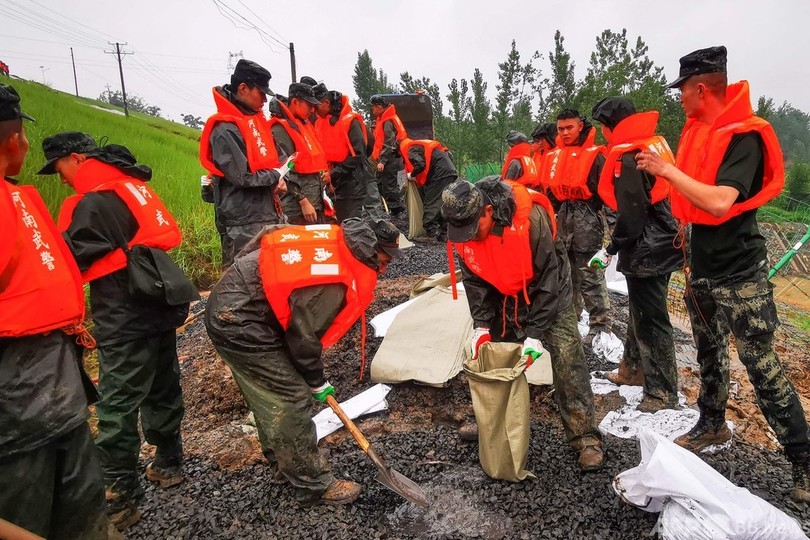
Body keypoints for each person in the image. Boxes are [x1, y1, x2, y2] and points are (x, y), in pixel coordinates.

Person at [636, 45, 810, 502]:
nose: (678, 98)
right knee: (709, 350)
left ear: (700, 88)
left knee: (761, 366)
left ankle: (803, 461)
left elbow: (718, 202)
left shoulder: (744, 136)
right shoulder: (699, 132)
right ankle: (711, 423)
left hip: (739, 271)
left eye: (682, 90)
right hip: (702, 266)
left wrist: (666, 170)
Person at [38, 132, 195, 529]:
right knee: (163, 384)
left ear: (77, 158)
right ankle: (169, 462)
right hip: (159, 299)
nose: (61, 178)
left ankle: (120, 495)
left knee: (117, 403)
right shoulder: (133, 187)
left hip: (123, 312)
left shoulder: (92, 201)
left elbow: (67, 258)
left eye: (59, 167)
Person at [204, 218, 402, 505]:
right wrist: (316, 380)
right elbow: (303, 337)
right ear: (371, 250)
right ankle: (313, 484)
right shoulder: (333, 278)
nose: (383, 271)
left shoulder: (342, 241)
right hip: (239, 319)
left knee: (274, 393)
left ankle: (285, 462)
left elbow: (267, 234)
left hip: (246, 303)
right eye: (383, 262)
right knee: (291, 396)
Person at [0, 83, 110, 539]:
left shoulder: (16, 198)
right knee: (29, 506)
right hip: (16, 394)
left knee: (79, 500)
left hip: (55, 379)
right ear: (15, 139)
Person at [441, 177, 604, 471]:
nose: (469, 237)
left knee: (568, 357)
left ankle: (585, 437)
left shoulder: (531, 220)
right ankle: (492, 424)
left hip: (547, 288)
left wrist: (536, 334)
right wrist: (482, 325)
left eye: (473, 229)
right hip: (502, 291)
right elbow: (475, 281)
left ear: (488, 211)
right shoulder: (464, 233)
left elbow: (548, 279)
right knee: (495, 359)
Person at [591, 96, 681, 412]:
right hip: (664, 239)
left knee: (652, 321)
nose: (602, 134)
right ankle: (631, 370)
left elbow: (632, 215)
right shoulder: (649, 147)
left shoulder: (630, 157)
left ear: (610, 126)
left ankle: (663, 393)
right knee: (639, 313)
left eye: (603, 127)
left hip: (648, 249)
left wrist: (610, 248)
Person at [200, 59, 290, 268]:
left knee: (271, 272)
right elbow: (241, 176)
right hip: (243, 222)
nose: (265, 100)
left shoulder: (256, 122)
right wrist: (275, 176)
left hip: (267, 211)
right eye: (261, 93)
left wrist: (280, 179)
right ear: (243, 88)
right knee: (243, 277)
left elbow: (278, 157)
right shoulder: (225, 129)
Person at [540, 109, 610, 344]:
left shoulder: (596, 156)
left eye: (569, 127)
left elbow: (608, 195)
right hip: (564, 216)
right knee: (566, 273)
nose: (565, 132)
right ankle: (571, 319)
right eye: (561, 129)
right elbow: (551, 194)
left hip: (587, 217)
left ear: (580, 126)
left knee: (590, 274)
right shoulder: (556, 156)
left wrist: (613, 230)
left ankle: (600, 326)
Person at [270, 83, 330, 225]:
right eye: (309, 105)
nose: (313, 110)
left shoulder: (303, 126)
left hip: (314, 202)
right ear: (295, 102)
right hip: (296, 208)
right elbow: (285, 170)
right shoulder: (280, 129)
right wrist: (302, 200)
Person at [314, 86, 373, 222]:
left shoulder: (350, 121)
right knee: (339, 222)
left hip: (352, 183)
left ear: (326, 103)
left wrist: (332, 173)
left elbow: (358, 155)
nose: (314, 111)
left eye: (316, 107)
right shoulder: (322, 122)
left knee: (351, 224)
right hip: (335, 183)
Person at [400, 137, 457, 242]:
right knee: (443, 202)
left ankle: (431, 234)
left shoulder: (411, 150)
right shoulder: (419, 146)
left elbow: (420, 165)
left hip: (440, 173)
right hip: (450, 171)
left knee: (431, 202)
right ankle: (445, 233)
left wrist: (411, 175)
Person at [370, 95, 407, 216]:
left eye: (374, 107)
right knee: (381, 184)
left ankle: (397, 212)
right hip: (391, 157)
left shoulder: (387, 121)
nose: (372, 109)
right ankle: (395, 210)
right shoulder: (385, 118)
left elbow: (388, 143)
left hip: (390, 158)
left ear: (379, 107)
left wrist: (382, 161)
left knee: (389, 186)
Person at [530, 122, 557, 194]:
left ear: (550, 138)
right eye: (539, 140)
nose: (540, 143)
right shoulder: (545, 155)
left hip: (553, 196)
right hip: (543, 193)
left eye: (542, 140)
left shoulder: (557, 154)